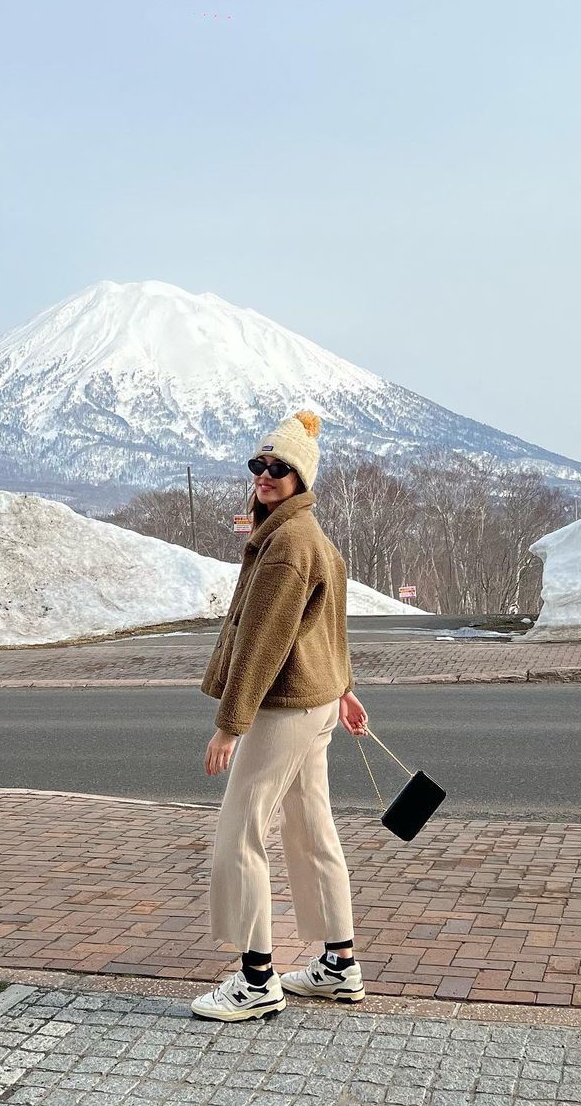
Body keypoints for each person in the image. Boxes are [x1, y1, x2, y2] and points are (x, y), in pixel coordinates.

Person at [190, 410, 371, 1022]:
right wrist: (344, 688)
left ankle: (255, 978)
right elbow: (331, 623)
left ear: (301, 478)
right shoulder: (311, 537)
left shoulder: (286, 549)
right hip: (318, 701)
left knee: (241, 830)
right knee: (309, 824)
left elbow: (261, 644)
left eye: (280, 468)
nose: (266, 476)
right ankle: (339, 965)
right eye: (259, 465)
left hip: (286, 705)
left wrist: (229, 725)